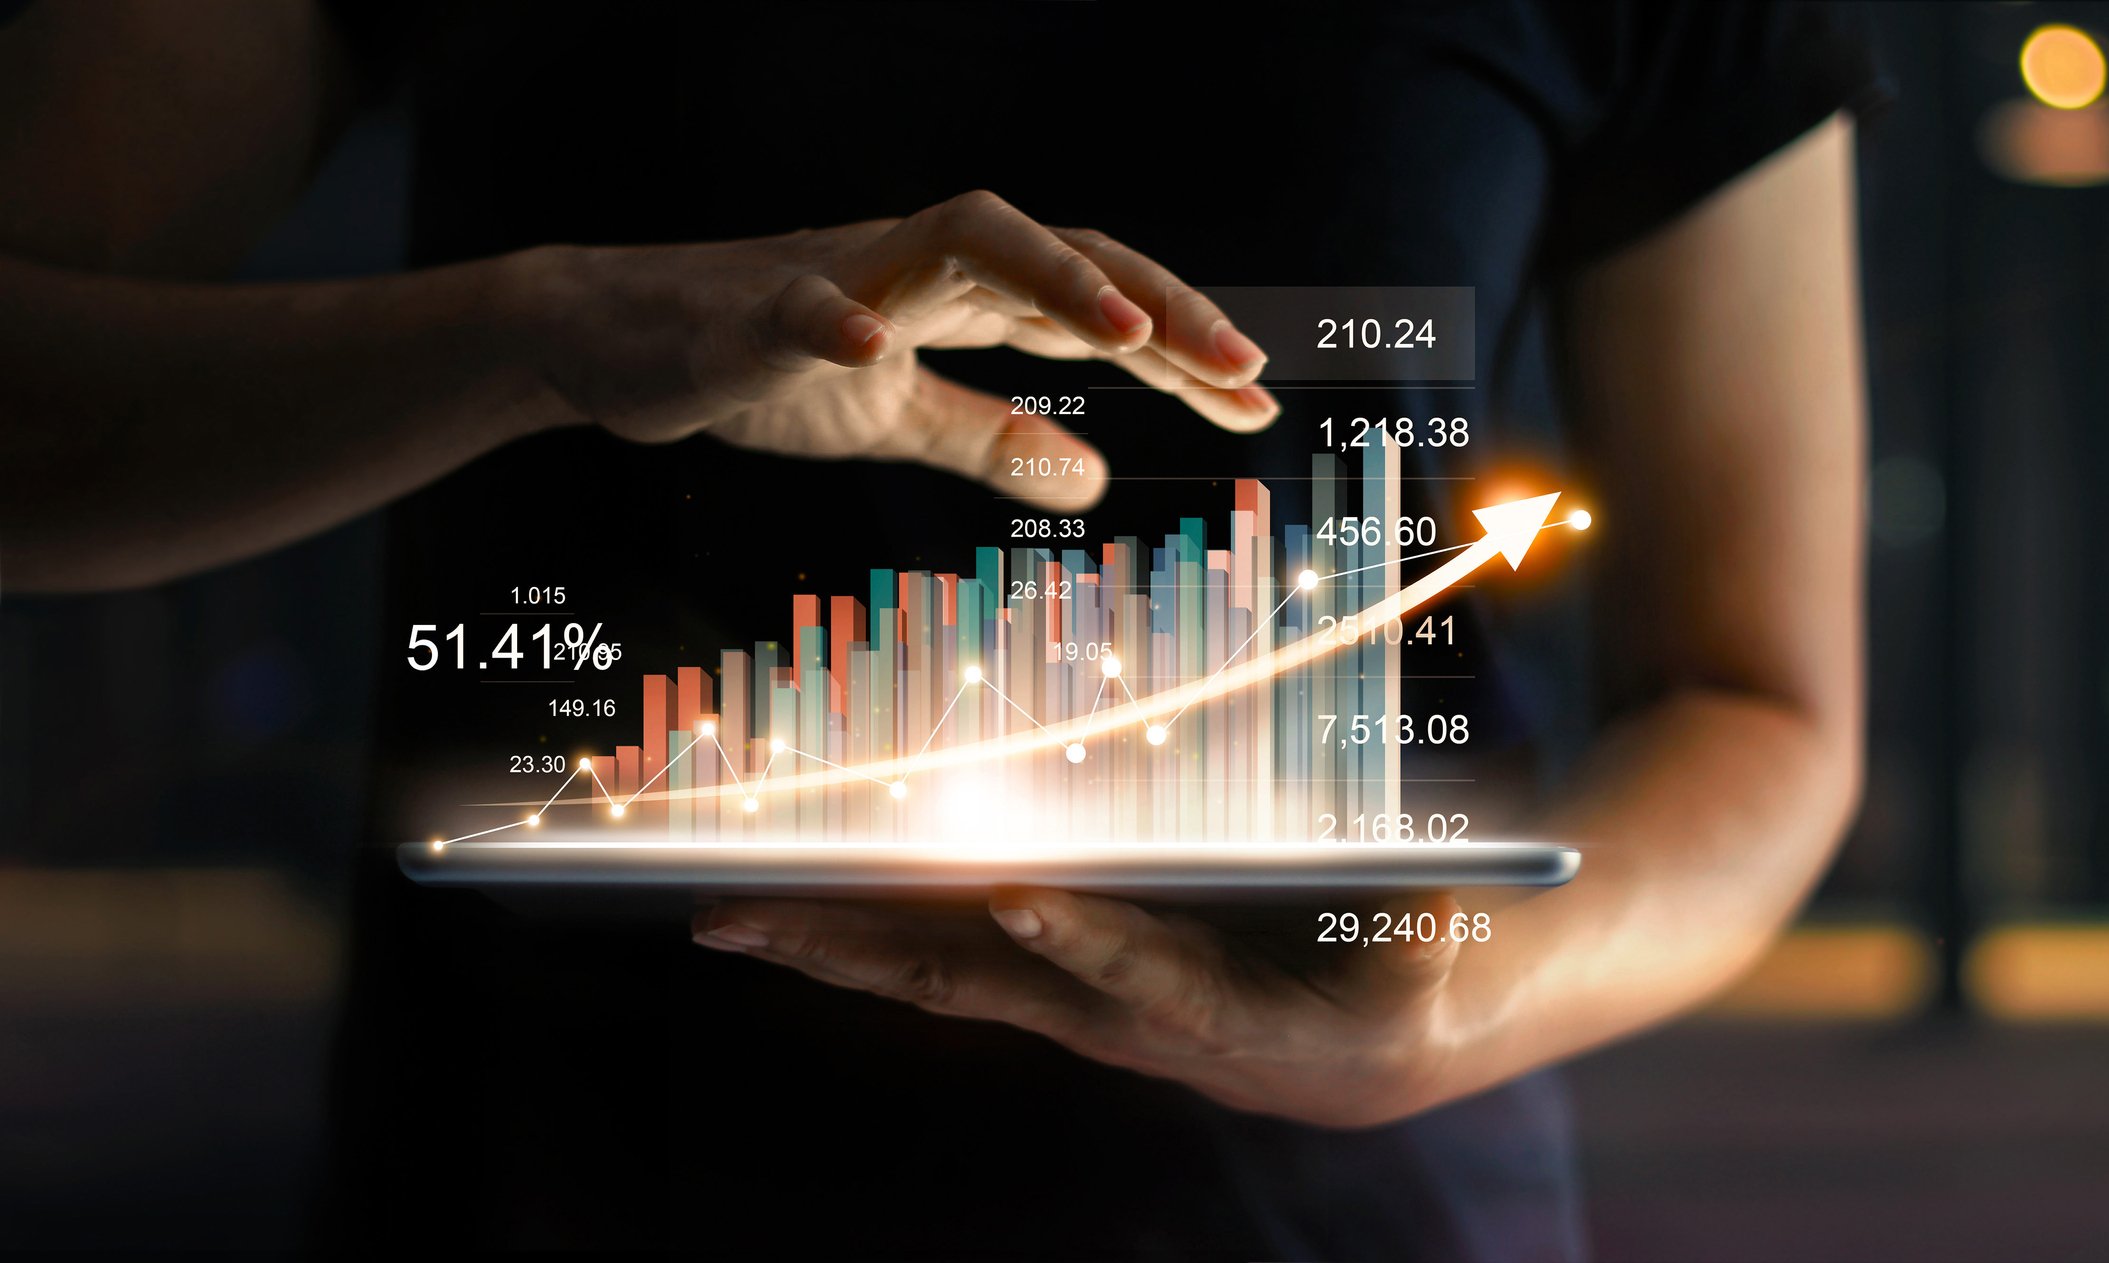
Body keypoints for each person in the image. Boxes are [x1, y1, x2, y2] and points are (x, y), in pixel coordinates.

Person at [0, 2, 1879, 1256]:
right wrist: (549, 327)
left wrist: (1461, 996)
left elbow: (1756, 702)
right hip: (566, 1167)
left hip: (1321, 1205)